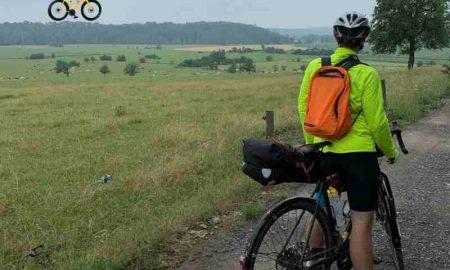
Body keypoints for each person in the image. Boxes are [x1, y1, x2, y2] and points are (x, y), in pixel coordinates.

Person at [298, 12, 399, 270]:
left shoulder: (315, 66)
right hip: (359, 156)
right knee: (361, 224)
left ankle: (312, 259)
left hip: (322, 150)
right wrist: (390, 150)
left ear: (336, 36)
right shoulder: (367, 74)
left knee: (320, 203)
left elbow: (303, 107)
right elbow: (377, 122)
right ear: (363, 39)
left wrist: (315, 141)